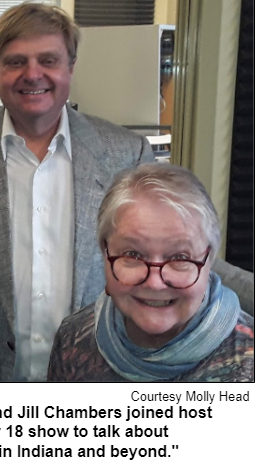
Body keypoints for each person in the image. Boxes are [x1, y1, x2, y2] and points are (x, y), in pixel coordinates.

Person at [0, 2, 155, 382]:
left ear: (70, 68)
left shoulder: (126, 154)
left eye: (48, 60)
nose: (33, 74)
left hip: (94, 381)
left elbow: (174, 250)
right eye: (16, 62)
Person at [48, 163, 254, 382]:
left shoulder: (251, 361)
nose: (155, 283)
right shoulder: (73, 339)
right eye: (133, 255)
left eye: (180, 258)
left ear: (208, 260)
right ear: (105, 255)